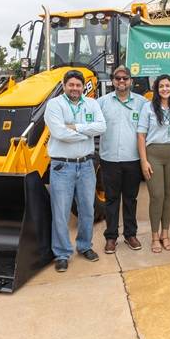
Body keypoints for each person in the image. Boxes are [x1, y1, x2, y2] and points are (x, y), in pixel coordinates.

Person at [44, 70, 107, 273]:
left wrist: (75, 127)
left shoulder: (92, 103)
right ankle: (62, 253)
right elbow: (59, 132)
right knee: (61, 212)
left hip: (87, 165)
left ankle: (84, 246)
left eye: (78, 85)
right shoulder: (54, 105)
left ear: (83, 86)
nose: (75, 88)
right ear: (64, 85)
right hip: (62, 166)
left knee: (87, 210)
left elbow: (101, 127)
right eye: (71, 85)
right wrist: (85, 132)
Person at [98, 65, 147, 254]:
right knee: (111, 200)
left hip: (133, 159)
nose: (121, 81)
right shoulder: (102, 102)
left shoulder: (142, 103)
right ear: (112, 81)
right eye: (117, 78)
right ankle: (111, 237)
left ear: (131, 81)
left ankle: (130, 235)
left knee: (130, 199)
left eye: (125, 78)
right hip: (109, 159)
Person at [137, 74, 170, 253]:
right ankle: (154, 236)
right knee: (156, 195)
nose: (165, 89)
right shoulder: (148, 107)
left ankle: (165, 234)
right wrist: (144, 161)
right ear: (156, 89)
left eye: (168, 86)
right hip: (153, 155)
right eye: (161, 86)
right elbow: (141, 135)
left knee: (168, 195)